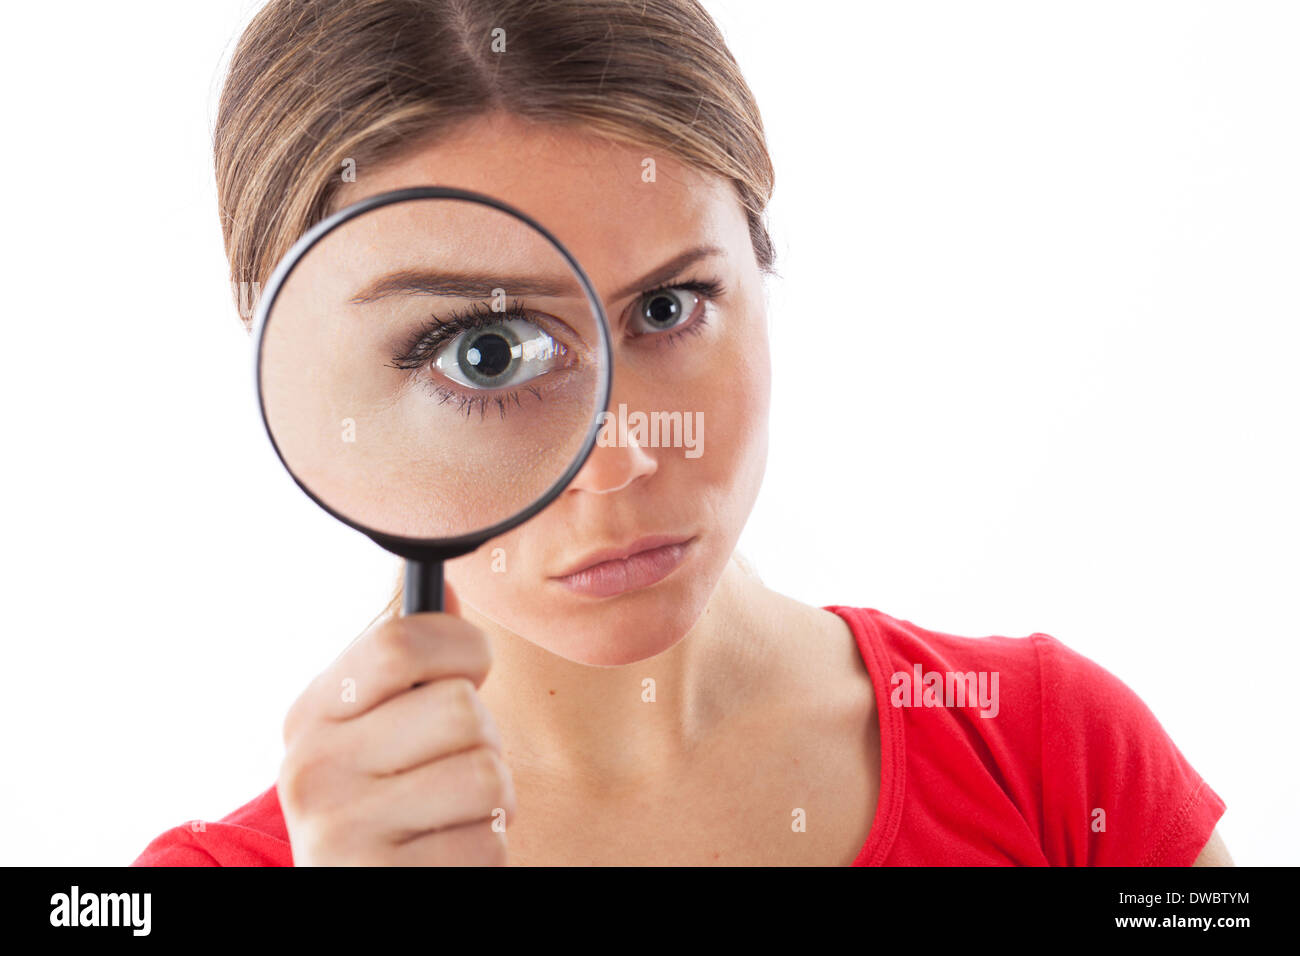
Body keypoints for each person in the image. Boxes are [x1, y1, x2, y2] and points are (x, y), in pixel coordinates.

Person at [134, 0, 1229, 866]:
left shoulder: (1051, 755)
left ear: (758, 261)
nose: (620, 457)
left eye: (666, 308)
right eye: (485, 352)